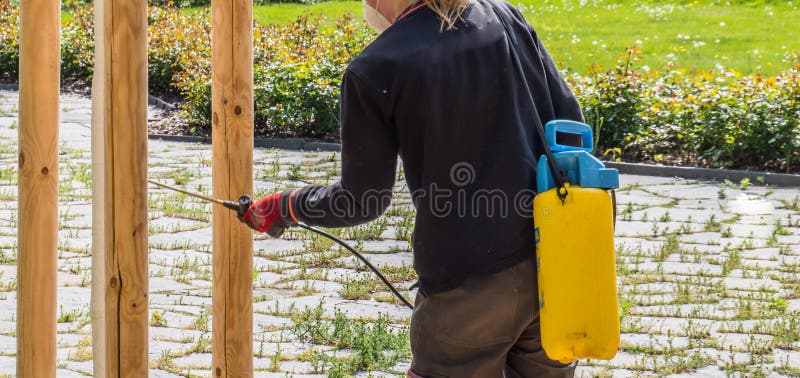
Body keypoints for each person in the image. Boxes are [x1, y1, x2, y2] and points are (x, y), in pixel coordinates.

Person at [240, 0, 584, 375]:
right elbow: (571, 127)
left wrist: (287, 204)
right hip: (555, 258)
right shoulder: (502, 14)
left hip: (468, 282)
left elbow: (359, 202)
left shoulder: (376, 67)